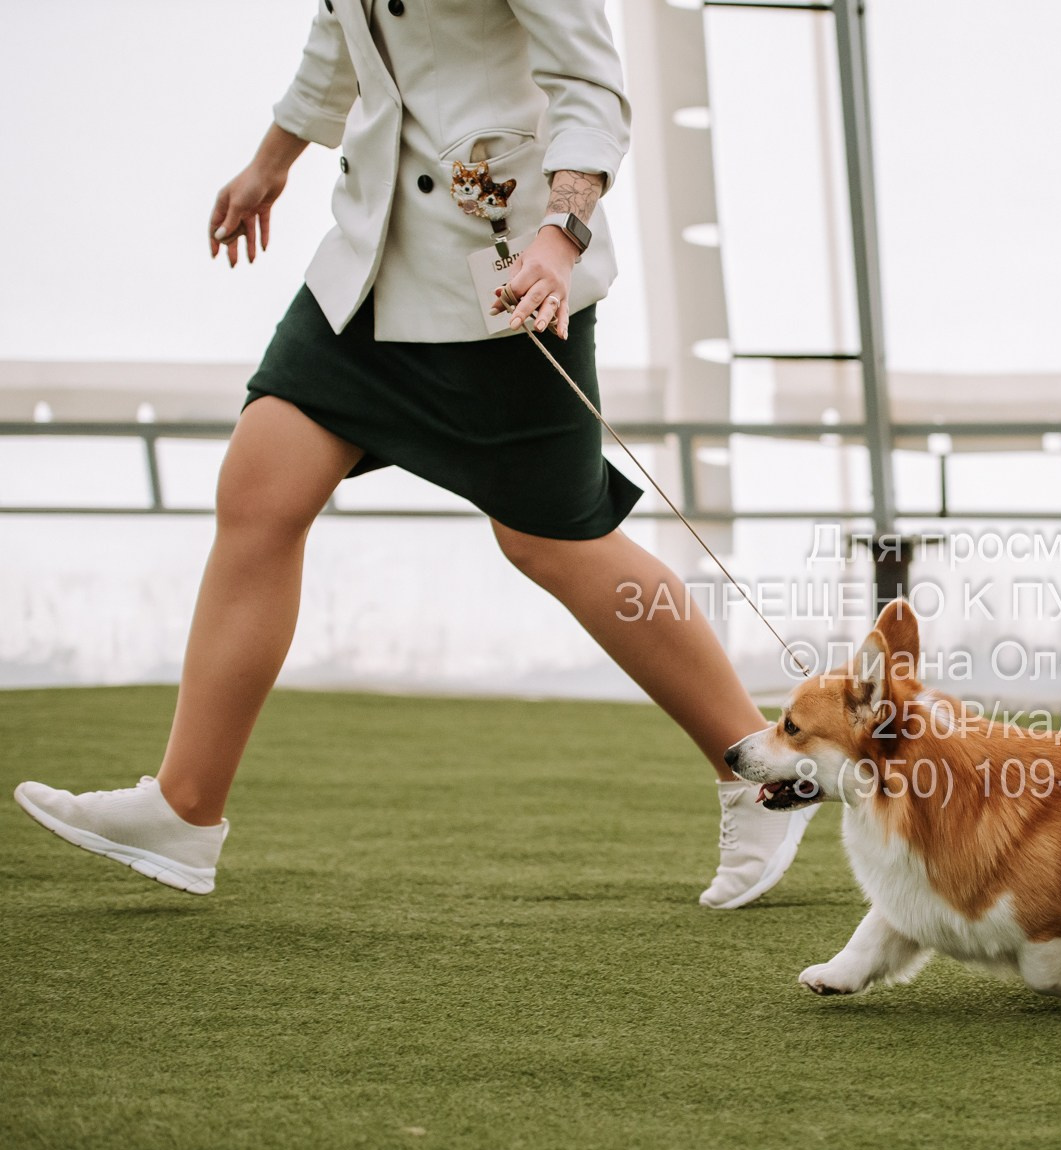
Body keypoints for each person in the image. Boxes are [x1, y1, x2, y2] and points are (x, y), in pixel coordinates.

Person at [12, 0, 814, 903]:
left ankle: (761, 772)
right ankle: (184, 808)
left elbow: (589, 82)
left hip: (505, 279)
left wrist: (562, 235)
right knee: (260, 486)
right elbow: (341, 35)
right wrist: (269, 163)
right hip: (365, 261)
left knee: (553, 537)